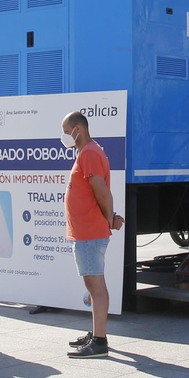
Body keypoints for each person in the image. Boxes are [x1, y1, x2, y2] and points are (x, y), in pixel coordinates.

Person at [62, 111, 124, 358]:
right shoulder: (90, 151)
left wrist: (109, 219)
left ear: (78, 128)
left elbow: (102, 192)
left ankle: (99, 341)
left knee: (95, 286)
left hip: (89, 232)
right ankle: (96, 332)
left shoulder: (88, 153)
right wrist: (110, 218)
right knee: (94, 285)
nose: (65, 136)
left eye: (67, 131)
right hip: (86, 231)